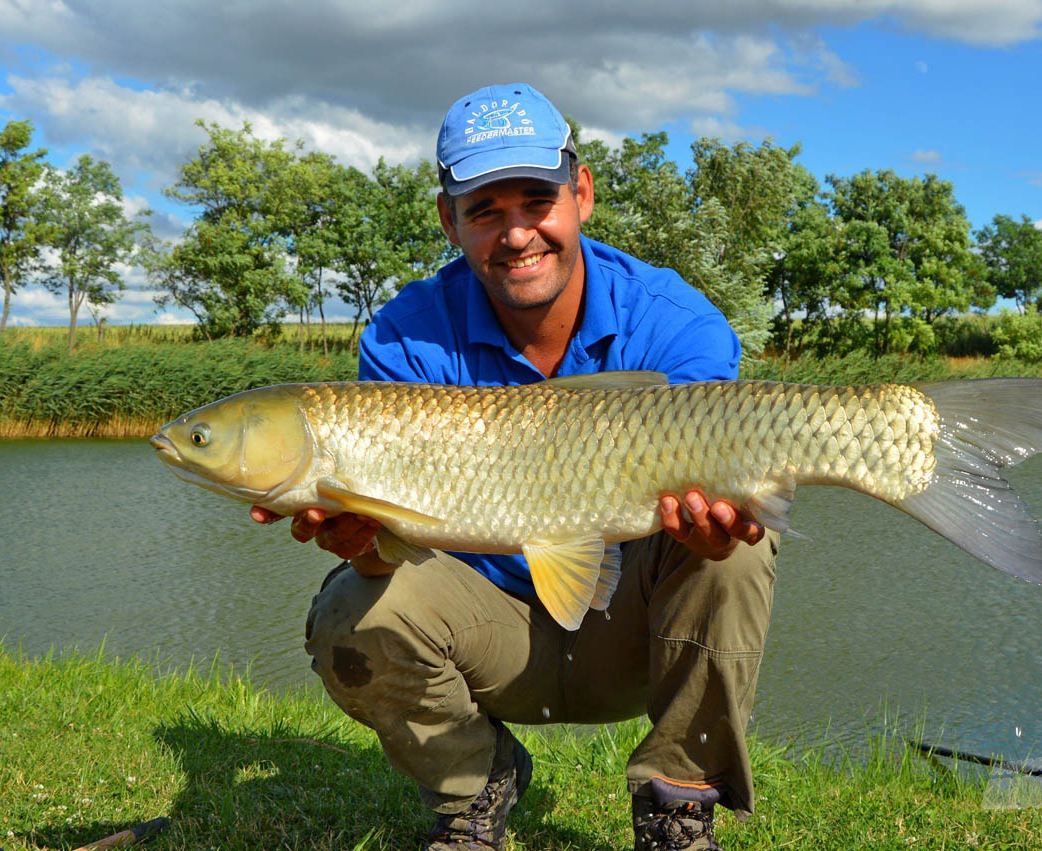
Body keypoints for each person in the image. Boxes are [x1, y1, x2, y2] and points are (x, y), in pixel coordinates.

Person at [252, 83, 780, 851]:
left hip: (636, 634)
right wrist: (360, 543)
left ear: (582, 193)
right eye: (486, 210)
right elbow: (388, 555)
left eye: (537, 199)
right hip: (492, 635)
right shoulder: (404, 338)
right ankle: (475, 786)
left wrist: (721, 525)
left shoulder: (674, 322)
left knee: (742, 546)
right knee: (348, 613)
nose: (518, 232)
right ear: (449, 220)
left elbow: (723, 490)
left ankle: (679, 804)